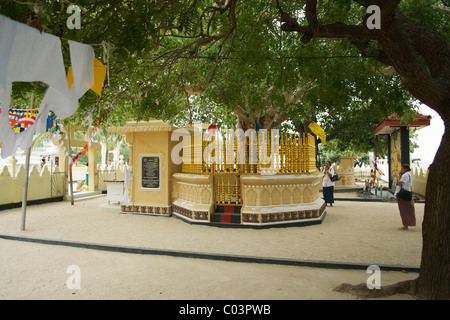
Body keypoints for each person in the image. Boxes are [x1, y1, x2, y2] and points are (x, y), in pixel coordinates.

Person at [395, 164, 415, 230]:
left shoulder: (406, 175)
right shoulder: (408, 174)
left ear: (405, 169)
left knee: (404, 210)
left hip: (404, 193)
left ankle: (405, 225)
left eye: (402, 168)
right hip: (407, 192)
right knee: (406, 210)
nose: (401, 170)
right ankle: (407, 224)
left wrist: (399, 178)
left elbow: (400, 182)